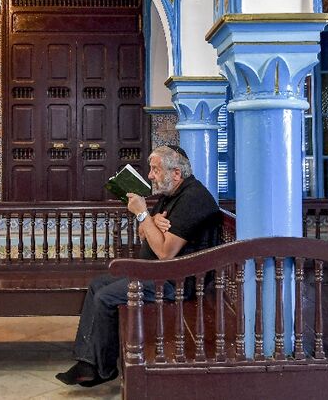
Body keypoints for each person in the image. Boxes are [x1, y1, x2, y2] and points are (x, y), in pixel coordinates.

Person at [55, 144, 222, 387]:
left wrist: (144, 215)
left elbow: (165, 253)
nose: (151, 176)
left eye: (155, 170)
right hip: (157, 273)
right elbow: (146, 235)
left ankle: (102, 368)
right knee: (97, 285)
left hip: (176, 281)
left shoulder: (194, 198)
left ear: (176, 173)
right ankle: (88, 363)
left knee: (105, 297)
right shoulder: (170, 194)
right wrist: (152, 221)